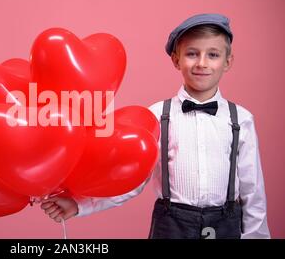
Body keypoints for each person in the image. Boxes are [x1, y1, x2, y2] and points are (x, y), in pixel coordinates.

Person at [40, 13, 270, 239]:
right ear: (176, 60)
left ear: (227, 62)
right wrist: (79, 205)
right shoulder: (157, 115)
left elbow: (253, 192)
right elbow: (131, 182)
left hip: (226, 227)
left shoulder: (241, 119)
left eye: (213, 55)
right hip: (171, 227)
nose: (202, 63)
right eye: (192, 54)